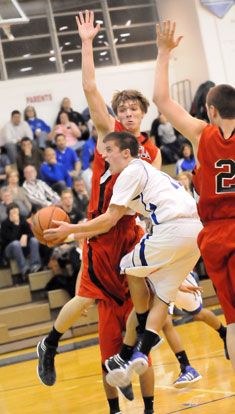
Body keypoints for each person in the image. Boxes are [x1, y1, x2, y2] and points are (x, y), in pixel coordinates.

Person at [36, 11, 161, 414]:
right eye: (122, 109)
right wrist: (88, 42)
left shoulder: (152, 151)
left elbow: (152, 197)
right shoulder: (107, 136)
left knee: (142, 316)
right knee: (88, 296)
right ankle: (51, 343)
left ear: (142, 116)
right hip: (98, 230)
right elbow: (89, 87)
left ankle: (131, 369)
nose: (126, 114)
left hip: (131, 236)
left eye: (133, 110)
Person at [46, 130, 202, 388]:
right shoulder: (148, 173)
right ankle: (138, 352)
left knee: (126, 266)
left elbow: (108, 220)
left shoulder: (128, 173)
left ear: (126, 153)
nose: (103, 154)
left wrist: (69, 229)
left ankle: (137, 334)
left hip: (171, 228)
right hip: (194, 232)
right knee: (162, 297)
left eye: (108, 149)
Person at [152, 19, 235, 371]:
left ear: (211, 110)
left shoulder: (202, 133)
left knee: (232, 321)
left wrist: (164, 52)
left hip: (215, 236)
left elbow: (160, 100)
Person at [163, 272, 228, 388]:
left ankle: (224, 333)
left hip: (179, 275)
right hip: (162, 280)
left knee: (198, 314)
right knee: (165, 322)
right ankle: (186, 367)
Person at [0, 202, 42, 279]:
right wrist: (16, 224)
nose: (15, 211)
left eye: (16, 209)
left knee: (34, 240)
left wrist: (25, 235)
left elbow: (31, 233)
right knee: (16, 243)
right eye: (12, 209)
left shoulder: (22, 219)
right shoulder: (4, 224)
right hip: (9, 249)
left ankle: (35, 265)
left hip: (23, 247)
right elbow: (11, 239)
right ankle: (24, 268)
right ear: (9, 212)